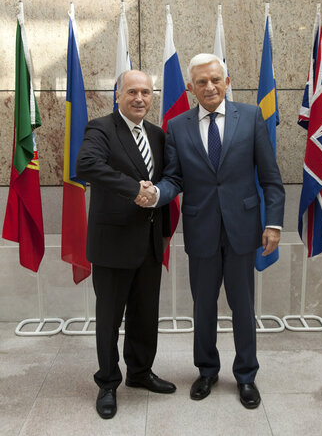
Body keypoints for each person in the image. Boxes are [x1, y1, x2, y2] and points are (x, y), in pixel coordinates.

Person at [136, 54, 285, 409]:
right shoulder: (178, 126)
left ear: (227, 81)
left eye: (216, 80)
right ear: (190, 88)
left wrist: (274, 223)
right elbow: (174, 178)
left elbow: (270, 177)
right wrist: (157, 193)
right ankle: (206, 371)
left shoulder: (249, 117)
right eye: (201, 82)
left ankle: (246, 375)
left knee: (243, 307)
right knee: (203, 307)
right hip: (201, 228)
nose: (210, 87)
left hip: (242, 229)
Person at [76, 69, 176, 420]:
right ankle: (107, 382)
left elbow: (166, 179)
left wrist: (158, 194)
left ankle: (140, 372)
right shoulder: (101, 128)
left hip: (149, 241)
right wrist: (134, 188)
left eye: (146, 93)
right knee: (109, 318)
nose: (139, 99)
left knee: (145, 316)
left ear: (152, 97)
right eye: (132, 91)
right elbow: (86, 164)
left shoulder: (157, 134)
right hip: (112, 242)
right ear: (118, 94)